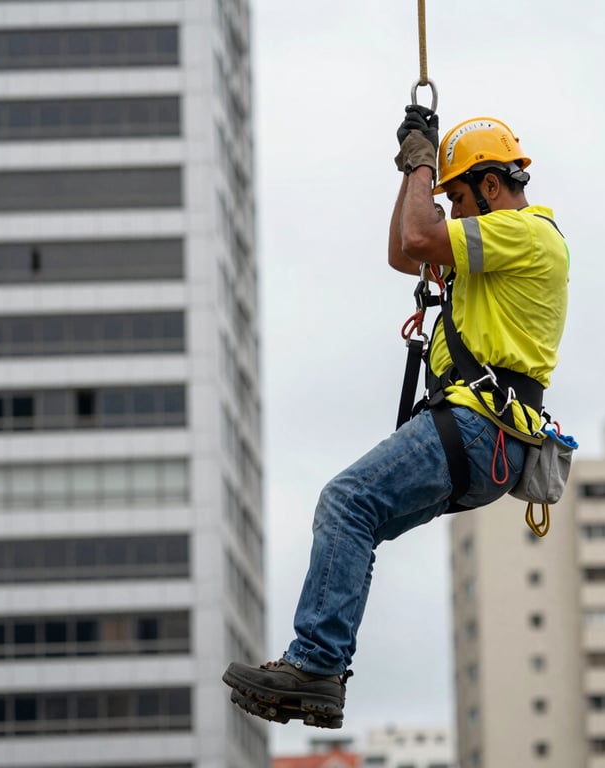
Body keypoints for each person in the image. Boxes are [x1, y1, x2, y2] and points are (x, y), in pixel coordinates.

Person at [222, 108, 569, 729]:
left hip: (477, 426)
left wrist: (421, 161)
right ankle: (319, 668)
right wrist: (419, 170)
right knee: (360, 518)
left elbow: (418, 238)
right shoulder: (490, 250)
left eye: (458, 199)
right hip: (485, 442)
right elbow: (402, 253)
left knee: (347, 501)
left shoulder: (528, 234)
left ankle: (317, 666)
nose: (453, 213)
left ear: (493, 188)